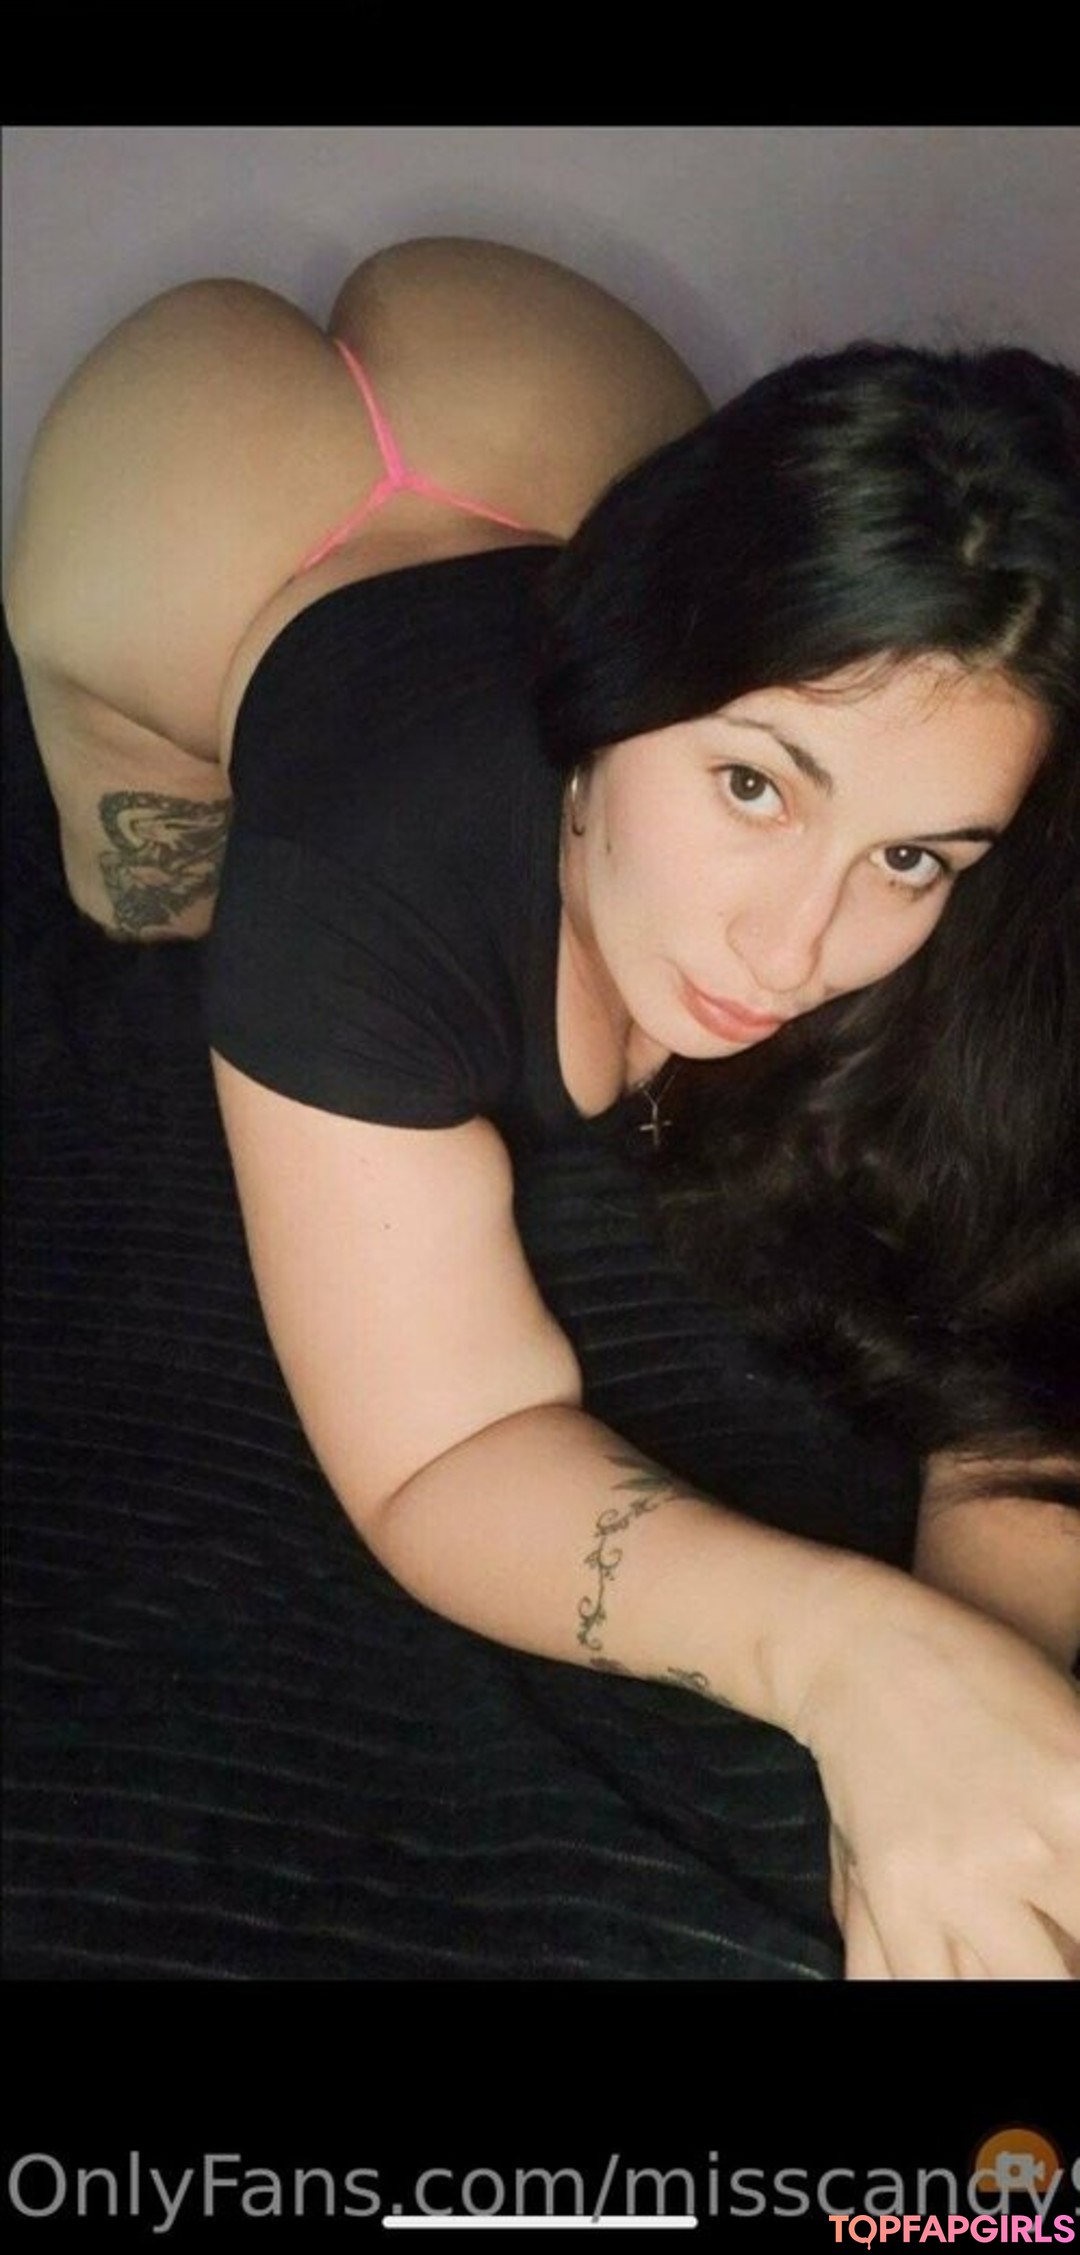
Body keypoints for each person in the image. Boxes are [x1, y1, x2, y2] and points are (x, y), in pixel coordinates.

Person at [6, 237, 1079, 1982]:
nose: (792, 950)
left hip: (547, 391)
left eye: (908, 859)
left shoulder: (965, 814)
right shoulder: (348, 887)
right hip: (176, 510)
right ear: (608, 696)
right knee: (138, 914)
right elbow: (442, 1451)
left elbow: (1032, 1332)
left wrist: (982, 1716)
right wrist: (849, 1659)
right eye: (752, 785)